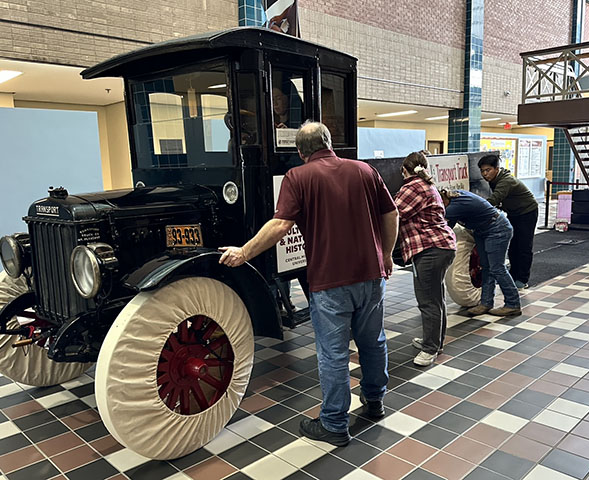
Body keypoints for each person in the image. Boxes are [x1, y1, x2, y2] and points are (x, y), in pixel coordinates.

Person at [219, 121, 398, 447]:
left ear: (300, 151)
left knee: (333, 354)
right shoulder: (365, 171)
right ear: (329, 143)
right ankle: (375, 401)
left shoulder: (298, 177)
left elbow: (280, 225)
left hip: (330, 281)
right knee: (373, 342)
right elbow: (391, 213)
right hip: (372, 276)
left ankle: (333, 423)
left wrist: (244, 252)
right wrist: (385, 254)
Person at [395, 151, 456, 367]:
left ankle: (429, 349)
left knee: (428, 301)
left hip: (430, 249)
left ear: (405, 170)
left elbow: (393, 214)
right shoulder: (427, 185)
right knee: (436, 298)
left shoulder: (412, 187)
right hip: (443, 246)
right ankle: (435, 342)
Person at [440, 189, 522, 317]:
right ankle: (486, 303)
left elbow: (444, 228)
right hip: (482, 229)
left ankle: (513, 304)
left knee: (497, 268)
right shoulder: (455, 195)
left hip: (497, 228)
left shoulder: (454, 207)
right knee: (486, 267)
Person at [478, 154, 539, 289]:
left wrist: (475, 207)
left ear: (496, 169)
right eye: (482, 171)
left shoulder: (506, 181)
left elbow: (494, 199)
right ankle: (512, 275)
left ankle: (522, 279)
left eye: (487, 170)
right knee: (513, 246)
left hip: (527, 212)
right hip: (514, 212)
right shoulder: (494, 180)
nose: (484, 174)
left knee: (523, 246)